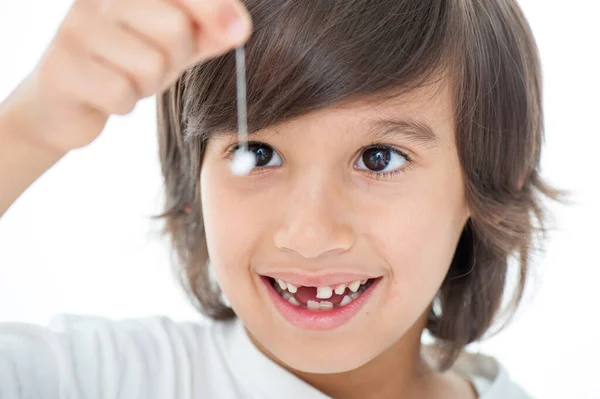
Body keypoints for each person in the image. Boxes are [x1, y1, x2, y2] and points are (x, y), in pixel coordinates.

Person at [0, 0, 561, 397]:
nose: (309, 235)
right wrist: (27, 131)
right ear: (192, 180)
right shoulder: (104, 379)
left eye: (379, 158)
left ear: (488, 179)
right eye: (259, 153)